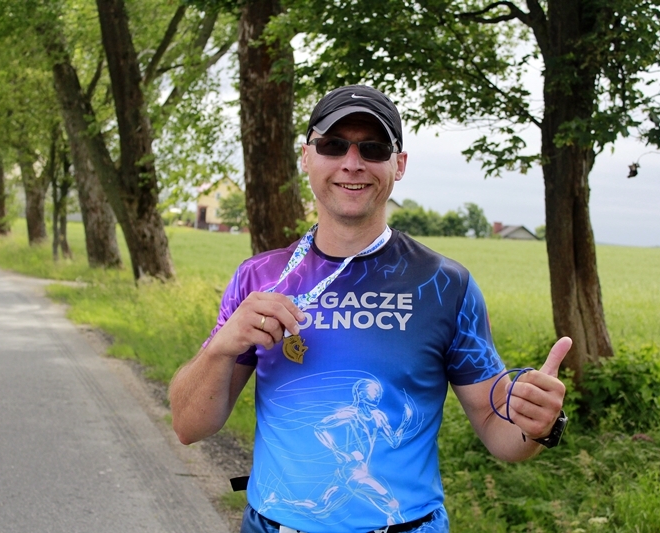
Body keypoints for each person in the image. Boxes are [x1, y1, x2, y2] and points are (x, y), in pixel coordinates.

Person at [169, 85, 570, 533]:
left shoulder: (445, 285)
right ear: (307, 156)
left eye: (373, 148)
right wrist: (220, 348)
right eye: (333, 145)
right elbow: (189, 427)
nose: (352, 162)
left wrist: (539, 425)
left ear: (399, 164)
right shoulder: (259, 278)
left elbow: (499, 431)